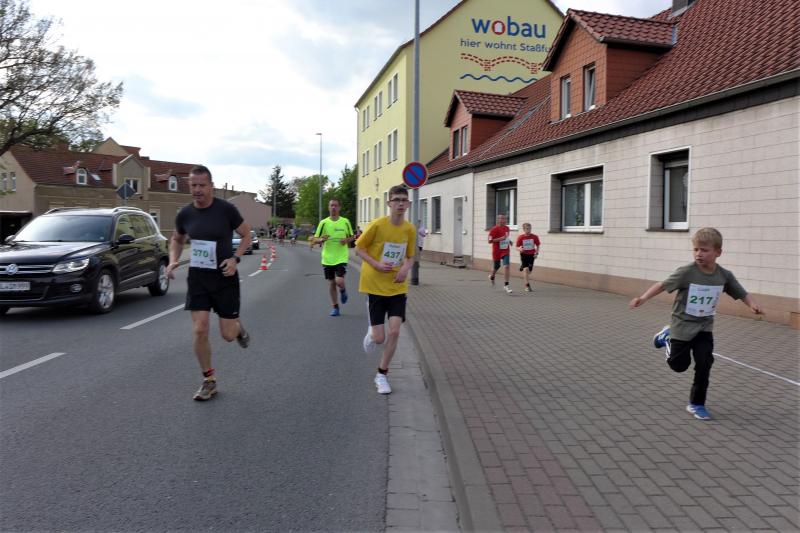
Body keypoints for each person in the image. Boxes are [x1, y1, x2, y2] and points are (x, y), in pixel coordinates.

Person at [629, 227, 762, 420]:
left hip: (704, 327)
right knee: (678, 365)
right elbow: (662, 285)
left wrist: (753, 305)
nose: (699, 254)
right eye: (696, 249)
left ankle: (697, 404)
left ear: (718, 252)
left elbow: (741, 292)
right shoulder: (687, 272)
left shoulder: (724, 275)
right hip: (682, 325)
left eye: (704, 250)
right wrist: (642, 298)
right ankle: (666, 337)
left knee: (704, 363)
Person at [166, 165, 252, 401]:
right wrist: (173, 260)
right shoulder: (185, 214)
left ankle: (238, 328)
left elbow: (247, 234)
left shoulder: (226, 210)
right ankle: (209, 380)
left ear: (211, 186)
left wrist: (235, 259)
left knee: (227, 334)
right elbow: (177, 239)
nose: (197, 190)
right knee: (200, 328)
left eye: (202, 185)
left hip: (225, 277)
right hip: (198, 277)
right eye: (193, 185)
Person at [357, 185, 416, 394]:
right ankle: (372, 334)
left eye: (404, 200)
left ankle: (381, 374)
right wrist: (377, 264)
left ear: (408, 204)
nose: (400, 203)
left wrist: (405, 270)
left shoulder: (409, 229)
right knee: (379, 338)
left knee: (395, 331)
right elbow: (359, 249)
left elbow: (411, 257)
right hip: (375, 285)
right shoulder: (377, 225)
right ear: (389, 203)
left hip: (397, 287)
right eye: (396, 200)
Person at [312, 198, 355, 316]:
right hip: (327, 258)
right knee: (331, 283)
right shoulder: (323, 223)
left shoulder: (345, 221)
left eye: (335, 205)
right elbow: (314, 239)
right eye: (331, 205)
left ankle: (343, 290)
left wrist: (346, 240)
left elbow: (352, 237)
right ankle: (335, 307)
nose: (333, 208)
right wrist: (322, 239)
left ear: (339, 208)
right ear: (328, 207)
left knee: (339, 280)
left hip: (341, 256)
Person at [487, 214, 512, 293]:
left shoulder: (507, 228)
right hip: (497, 251)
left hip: (505, 250)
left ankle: (506, 285)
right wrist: (500, 239)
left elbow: (506, 237)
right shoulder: (494, 229)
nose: (503, 220)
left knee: (506, 266)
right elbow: (489, 241)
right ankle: (492, 276)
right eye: (501, 218)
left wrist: (509, 241)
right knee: (497, 266)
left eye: (504, 218)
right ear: (498, 220)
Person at [515, 223, 541, 292]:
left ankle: (523, 267)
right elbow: (517, 247)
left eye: (529, 229)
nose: (528, 230)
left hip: (532, 255)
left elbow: (538, 245)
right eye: (527, 229)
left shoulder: (534, 237)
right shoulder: (521, 237)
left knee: (529, 271)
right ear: (524, 229)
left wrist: (536, 253)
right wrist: (519, 249)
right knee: (526, 269)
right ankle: (527, 285)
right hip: (524, 254)